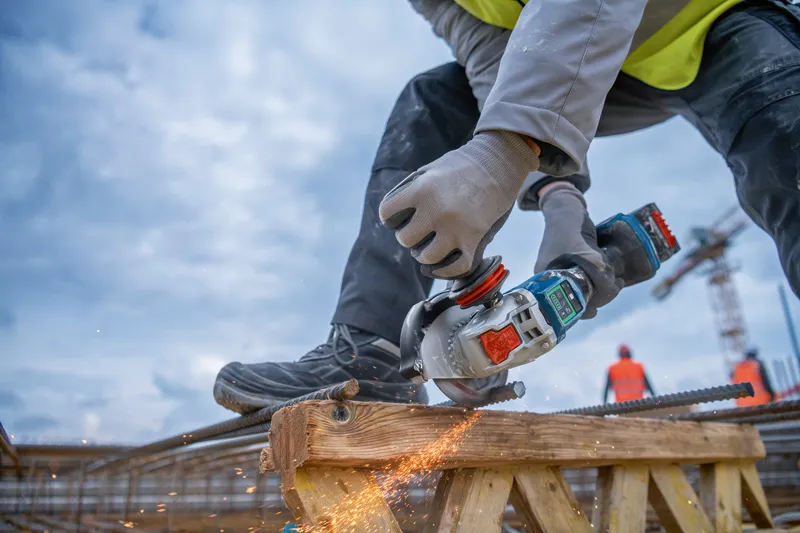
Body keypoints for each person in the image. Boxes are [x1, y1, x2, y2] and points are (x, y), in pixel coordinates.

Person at [213, 0, 800, 414]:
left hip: (717, 16)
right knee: (434, 101)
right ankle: (374, 356)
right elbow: (496, 63)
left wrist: (503, 155)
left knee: (785, 140)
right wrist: (557, 195)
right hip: (598, 59)